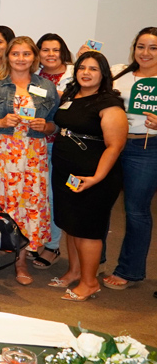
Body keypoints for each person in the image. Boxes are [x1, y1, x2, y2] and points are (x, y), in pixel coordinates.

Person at [0, 36, 58, 285]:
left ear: (34, 57)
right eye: (15, 53)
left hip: (31, 156)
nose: (20, 58)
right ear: (7, 56)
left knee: (26, 205)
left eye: (26, 54)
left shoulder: (47, 87)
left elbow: (56, 123)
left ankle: (21, 262)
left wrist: (46, 126)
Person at [49, 52, 127, 301]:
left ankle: (90, 282)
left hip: (93, 177)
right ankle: (74, 272)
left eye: (93, 69)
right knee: (71, 225)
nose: (86, 73)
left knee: (87, 230)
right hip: (66, 172)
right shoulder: (72, 95)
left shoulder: (109, 103)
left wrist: (96, 178)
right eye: (82, 67)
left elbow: (114, 146)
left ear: (104, 74)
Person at [103, 27, 157, 291]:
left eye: (153, 48)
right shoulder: (118, 72)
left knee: (136, 210)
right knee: (99, 204)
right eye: (140, 46)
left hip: (146, 147)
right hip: (110, 145)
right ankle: (93, 260)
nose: (145, 53)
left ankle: (129, 270)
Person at [32, 32, 76, 269]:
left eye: (55, 50)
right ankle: (37, 240)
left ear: (63, 52)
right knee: (36, 195)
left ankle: (52, 246)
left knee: (52, 196)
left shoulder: (74, 75)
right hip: (36, 143)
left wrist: (61, 96)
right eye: (45, 50)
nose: (50, 54)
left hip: (60, 145)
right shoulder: (34, 76)